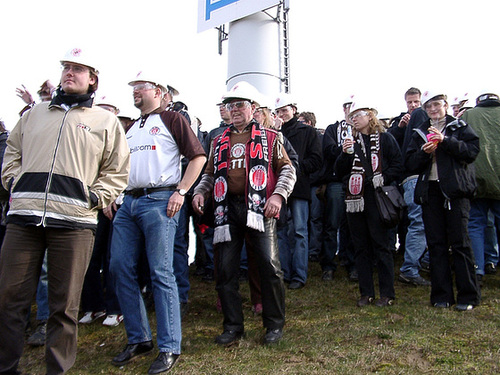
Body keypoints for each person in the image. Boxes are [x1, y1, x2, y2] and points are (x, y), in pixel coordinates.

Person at [0, 47, 130, 375]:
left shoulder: (106, 121)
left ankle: (57, 370)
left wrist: (94, 197)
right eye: (66, 68)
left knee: (64, 308)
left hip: (74, 224)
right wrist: (13, 181)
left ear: (93, 78)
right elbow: (12, 151)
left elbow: (117, 170)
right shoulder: (35, 114)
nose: (69, 73)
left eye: (78, 69)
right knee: (9, 301)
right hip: (24, 220)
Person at [109, 72, 206, 374]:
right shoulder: (131, 127)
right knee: (118, 267)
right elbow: (119, 165)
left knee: (161, 272)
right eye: (133, 89)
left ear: (159, 91)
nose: (135, 92)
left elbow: (198, 157)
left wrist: (181, 191)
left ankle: (169, 346)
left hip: (159, 201)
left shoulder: (172, 119)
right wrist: (114, 193)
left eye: (140, 88)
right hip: (129, 202)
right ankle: (139, 339)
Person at [192, 81, 296, 345]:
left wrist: (278, 195)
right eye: (230, 105)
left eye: (240, 104)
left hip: (260, 208)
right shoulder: (218, 140)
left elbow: (288, 170)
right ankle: (233, 327)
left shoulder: (271, 137)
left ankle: (274, 326)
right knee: (225, 269)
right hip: (226, 210)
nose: (234, 109)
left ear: (253, 108)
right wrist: (201, 192)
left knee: (270, 267)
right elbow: (209, 175)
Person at [405, 91, 480, 311]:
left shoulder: (459, 127)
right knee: (436, 244)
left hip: (455, 192)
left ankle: (468, 295)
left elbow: (471, 152)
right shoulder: (419, 132)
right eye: (428, 107)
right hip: (431, 191)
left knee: (460, 244)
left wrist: (445, 141)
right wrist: (425, 152)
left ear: (446, 105)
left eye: (436, 105)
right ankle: (441, 295)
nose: (433, 110)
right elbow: (410, 162)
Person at [335, 100, 403, 307]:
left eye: (358, 114)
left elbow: (399, 166)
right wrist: (344, 154)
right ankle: (366, 293)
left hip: (376, 198)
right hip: (355, 199)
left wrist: (381, 178)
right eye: (352, 116)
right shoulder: (350, 143)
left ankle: (387, 294)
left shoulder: (386, 139)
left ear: (370, 116)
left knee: (381, 246)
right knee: (360, 247)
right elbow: (339, 171)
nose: (354, 119)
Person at [275, 94, 322, 289]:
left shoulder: (308, 132)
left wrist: (294, 169)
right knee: (281, 232)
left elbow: (317, 159)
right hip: (278, 189)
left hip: (299, 188)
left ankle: (299, 275)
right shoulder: (272, 132)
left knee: (300, 231)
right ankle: (285, 272)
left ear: (294, 110)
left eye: (285, 110)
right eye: (278, 111)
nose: (282, 114)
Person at [389, 88, 431, 287]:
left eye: (416, 102)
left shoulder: (420, 115)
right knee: (419, 222)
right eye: (410, 103)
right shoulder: (417, 117)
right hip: (413, 176)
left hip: (412, 177)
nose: (413, 106)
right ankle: (410, 268)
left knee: (423, 222)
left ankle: (421, 261)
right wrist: (400, 127)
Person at [461, 89, 500, 282]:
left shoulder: (469, 115)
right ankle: (492, 260)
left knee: (475, 224)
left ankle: (478, 269)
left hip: (476, 179)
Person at [322, 96, 358, 282]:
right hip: (336, 181)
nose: (349, 110)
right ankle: (328, 265)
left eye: (353, 107)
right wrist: (342, 149)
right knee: (332, 223)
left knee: (353, 224)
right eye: (347, 106)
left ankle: (351, 263)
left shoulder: (362, 129)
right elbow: (327, 152)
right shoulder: (332, 128)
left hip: (357, 180)